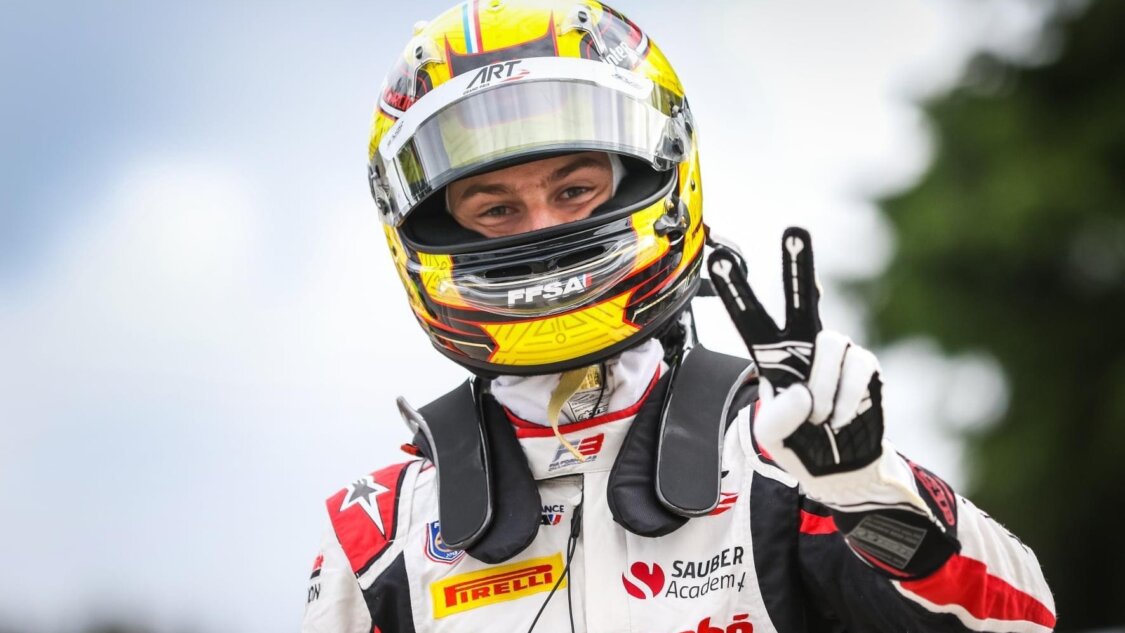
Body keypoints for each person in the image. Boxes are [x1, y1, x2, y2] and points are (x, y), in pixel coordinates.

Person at [302, 2, 1056, 631]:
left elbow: (1025, 621)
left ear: (656, 175)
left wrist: (868, 487)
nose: (541, 231)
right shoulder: (377, 536)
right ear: (434, 229)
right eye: (497, 208)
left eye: (573, 191)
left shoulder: (784, 460)